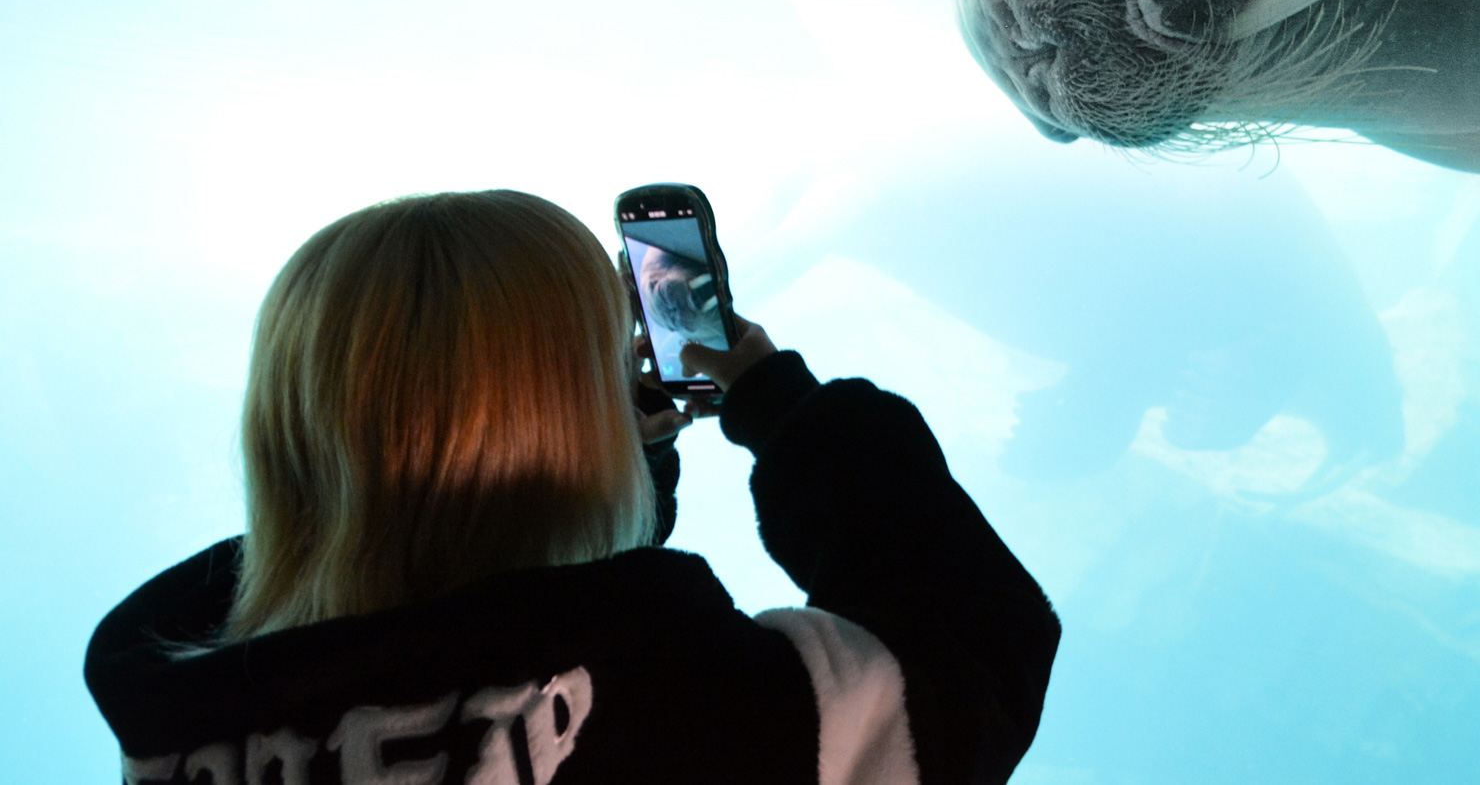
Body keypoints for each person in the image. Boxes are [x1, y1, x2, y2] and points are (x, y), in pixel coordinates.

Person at [85, 189, 1060, 785]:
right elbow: (974, 651)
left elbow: (479, 621)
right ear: (578, 424)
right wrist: (779, 403)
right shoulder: (699, 713)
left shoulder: (180, 735)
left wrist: (631, 466)